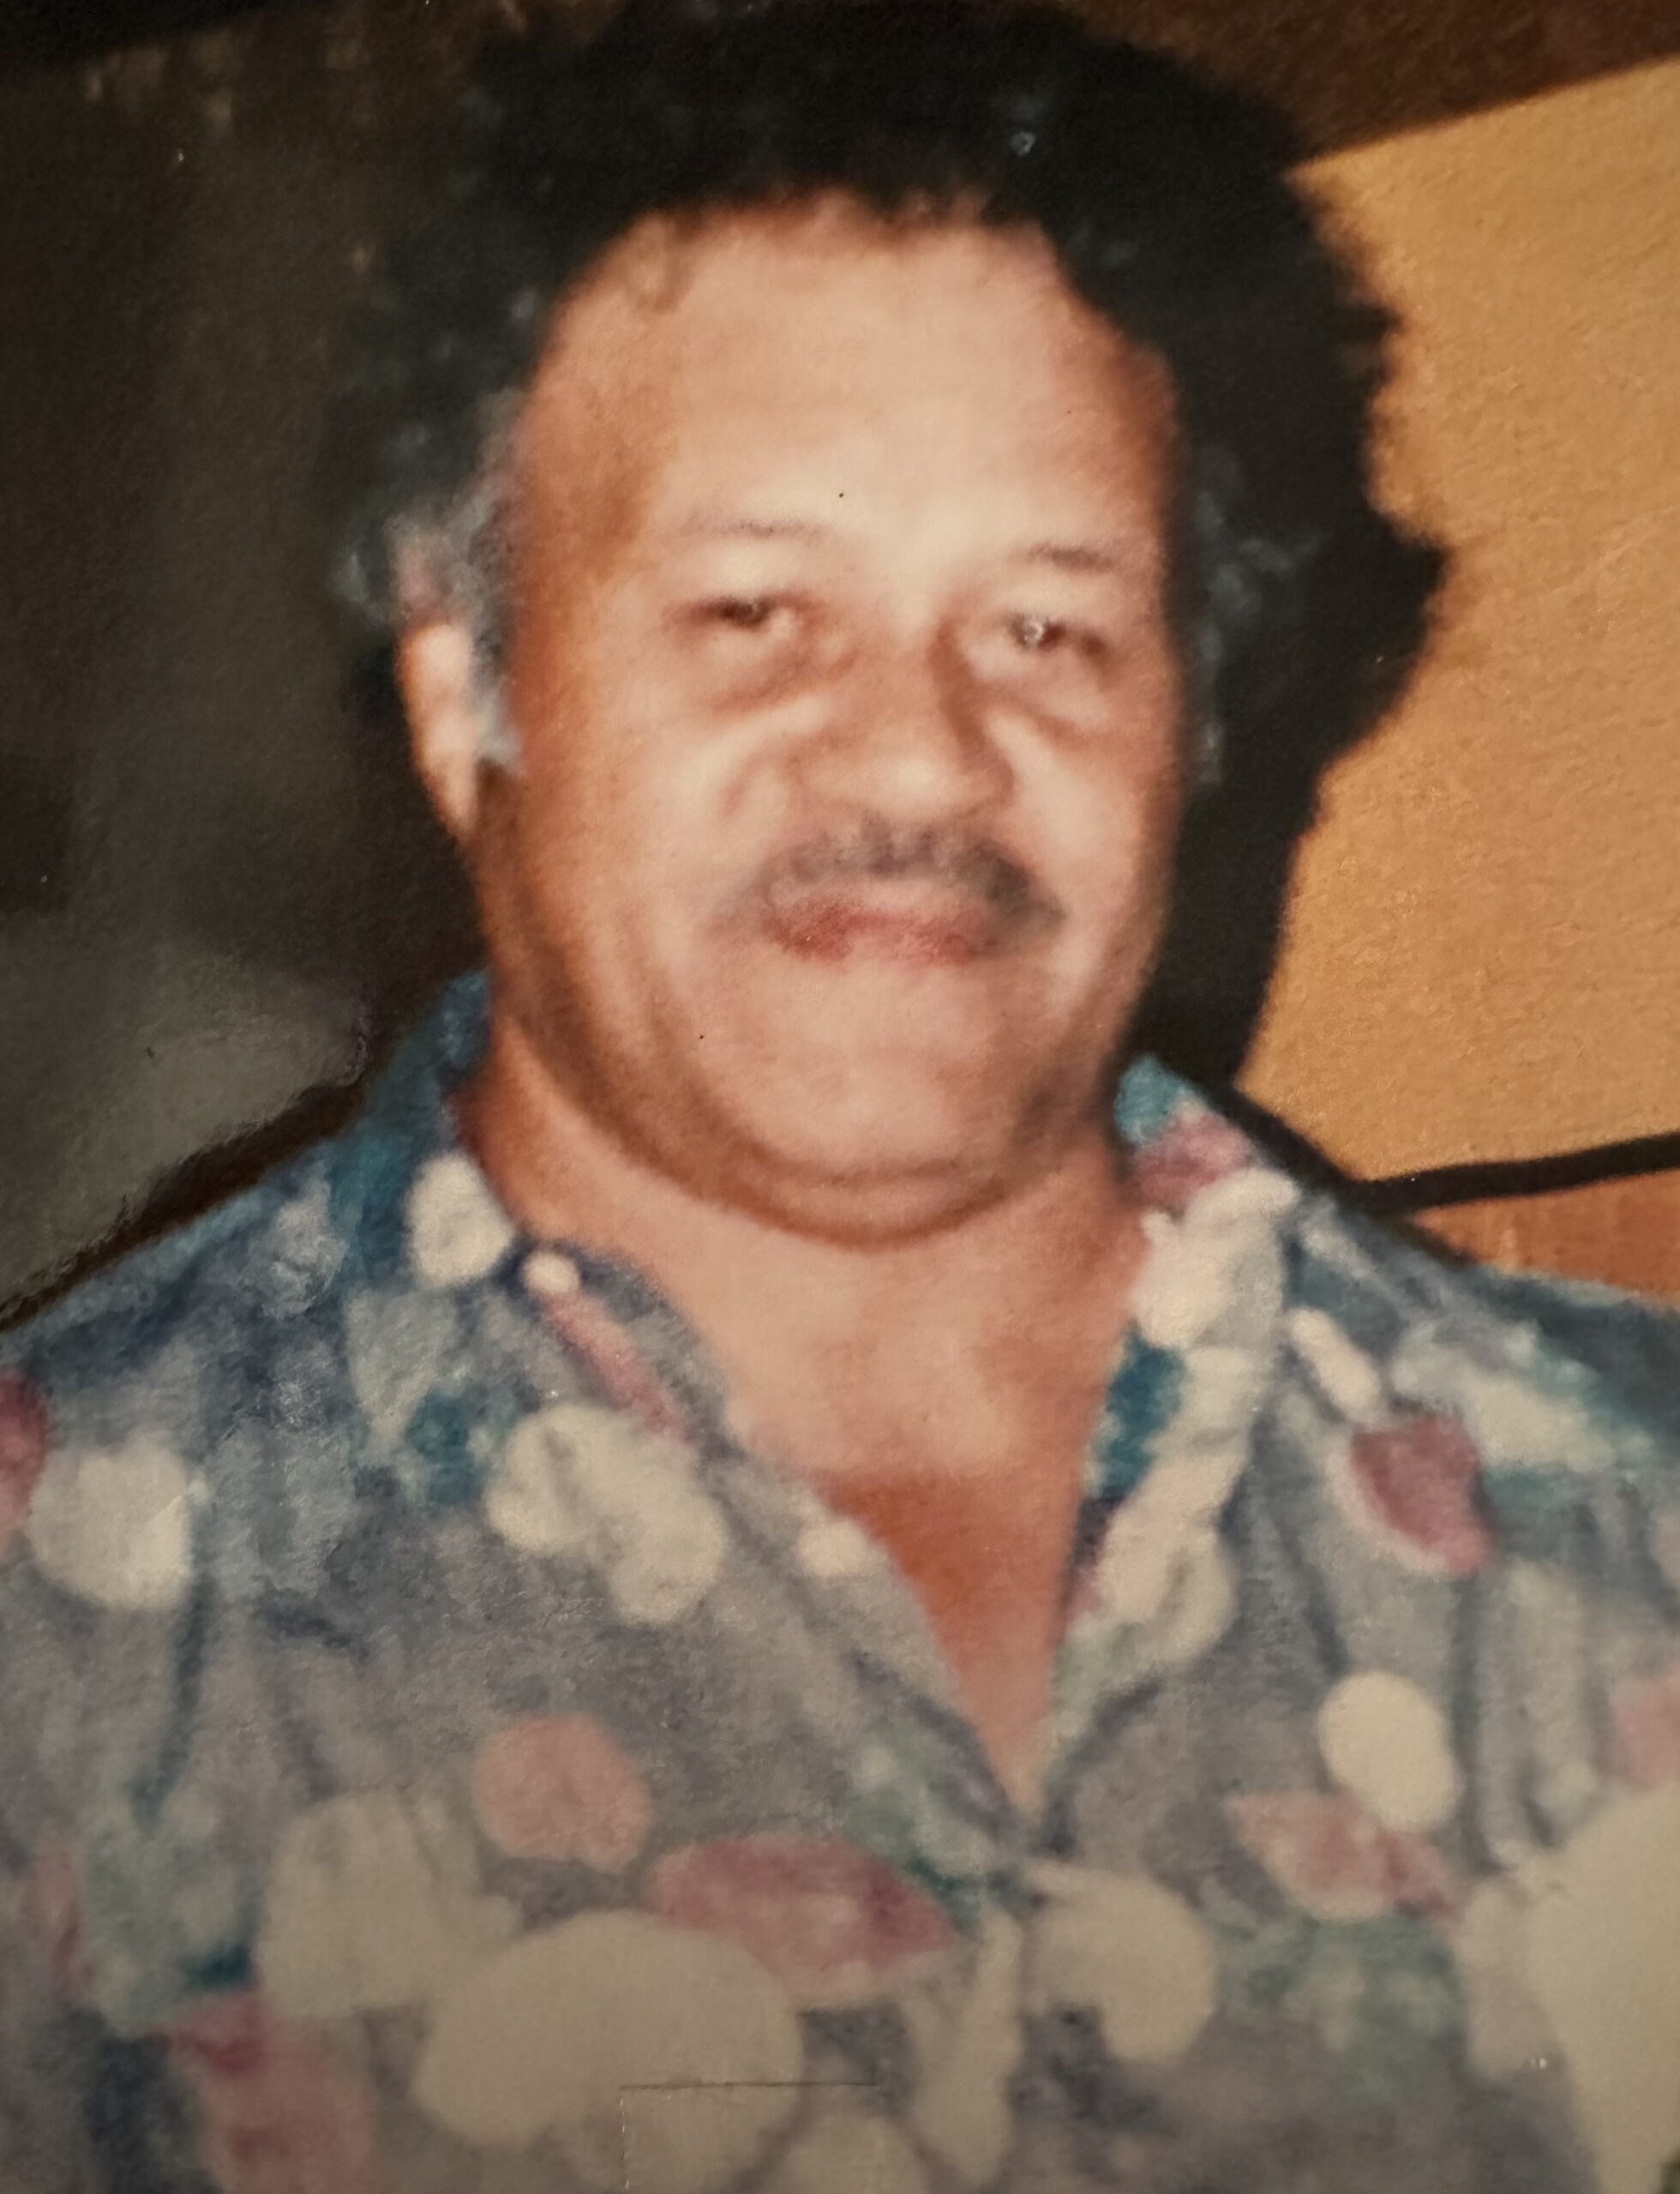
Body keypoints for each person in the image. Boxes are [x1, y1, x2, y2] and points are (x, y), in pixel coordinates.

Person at [2, 3, 1677, 2189]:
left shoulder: (1632, 1517)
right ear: (461, 695)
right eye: (757, 609)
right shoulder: (54, 1622)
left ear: (1190, 730)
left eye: (1049, 630)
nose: (913, 755)